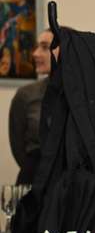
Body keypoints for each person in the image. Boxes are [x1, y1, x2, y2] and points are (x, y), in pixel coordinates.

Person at [8, 29, 58, 183]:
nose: (35, 53)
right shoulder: (26, 95)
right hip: (34, 181)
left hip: (74, 186)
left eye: (45, 47)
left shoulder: (85, 95)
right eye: (37, 47)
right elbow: (18, 147)